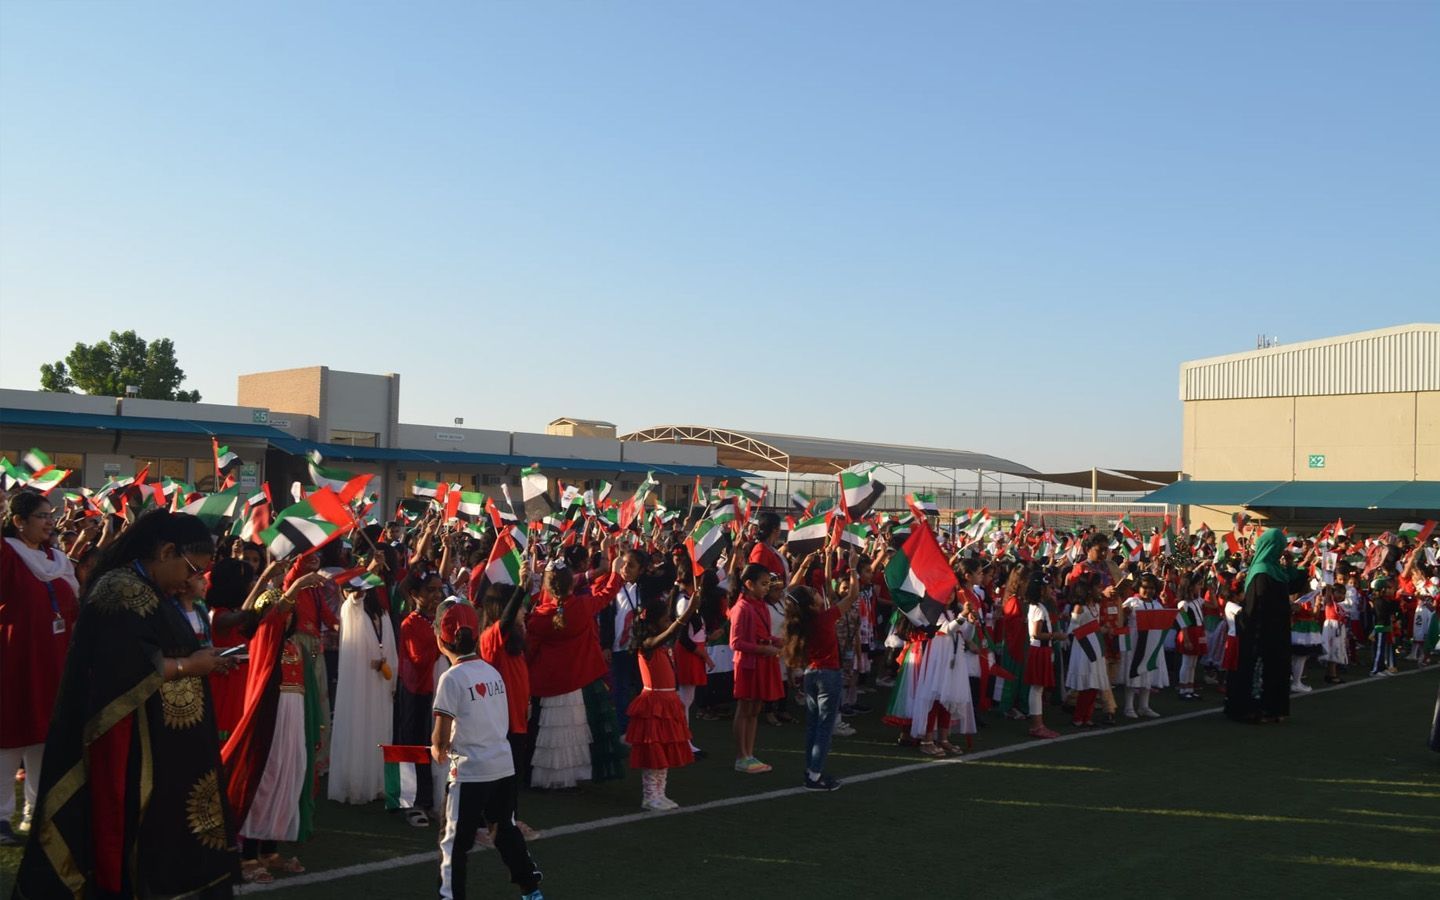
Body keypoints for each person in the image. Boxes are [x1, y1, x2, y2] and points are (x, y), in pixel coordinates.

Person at [15, 510, 240, 898]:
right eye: (191, 569)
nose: (191, 580)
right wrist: (190, 665)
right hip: (133, 743)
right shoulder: (120, 590)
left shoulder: (150, 589)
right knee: (131, 835)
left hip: (161, 738)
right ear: (166, 552)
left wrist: (202, 658)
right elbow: (126, 666)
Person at [221, 572, 329, 884]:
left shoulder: (293, 645)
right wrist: (295, 585)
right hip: (271, 718)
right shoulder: (264, 636)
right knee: (265, 777)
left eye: (290, 611)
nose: (287, 614)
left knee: (288, 776)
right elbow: (273, 615)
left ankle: (269, 849)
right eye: (282, 610)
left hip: (292, 718)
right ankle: (248, 855)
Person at [432, 601, 544, 900]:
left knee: (453, 843)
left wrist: (437, 749)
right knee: (505, 831)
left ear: (441, 638)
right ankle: (531, 890)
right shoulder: (491, 671)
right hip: (502, 766)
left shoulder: (450, 678)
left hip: (469, 772)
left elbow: (440, 741)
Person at [1, 490, 80, 846]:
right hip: (14, 663)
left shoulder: (58, 560)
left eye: (51, 515)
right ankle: (1, 816)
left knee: (45, 739)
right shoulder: (7, 554)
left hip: (54, 664)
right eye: (42, 516)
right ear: (19, 522)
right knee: (8, 739)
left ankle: (36, 813)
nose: (51, 522)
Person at [525, 551, 626, 788]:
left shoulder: (539, 617)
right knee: (577, 732)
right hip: (579, 681)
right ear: (571, 583)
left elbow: (529, 651)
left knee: (550, 733)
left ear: (547, 587)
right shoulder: (582, 606)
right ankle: (576, 774)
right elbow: (606, 595)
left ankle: (551, 777)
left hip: (549, 684)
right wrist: (615, 573)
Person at [782, 545, 857, 791]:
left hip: (811, 675)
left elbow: (791, 593)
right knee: (824, 727)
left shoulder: (800, 622)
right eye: (812, 593)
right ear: (811, 604)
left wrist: (804, 566)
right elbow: (852, 597)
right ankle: (815, 775)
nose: (816, 592)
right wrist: (853, 569)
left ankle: (811, 769)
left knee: (814, 726)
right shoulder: (824, 618)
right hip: (828, 675)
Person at [625, 576, 700, 809]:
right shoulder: (647, 645)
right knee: (654, 751)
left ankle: (661, 793)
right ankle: (650, 795)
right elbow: (669, 633)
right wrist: (688, 612)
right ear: (652, 623)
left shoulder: (661, 645)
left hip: (668, 701)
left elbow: (672, 634)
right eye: (665, 619)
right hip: (654, 703)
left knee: (665, 749)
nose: (668, 622)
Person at [1226, 528, 1307, 723]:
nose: (1282, 551)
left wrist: (1290, 564)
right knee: (1260, 670)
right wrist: (1285, 607)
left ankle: (1273, 709)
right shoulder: (1261, 571)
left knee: (1277, 668)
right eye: (1280, 546)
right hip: (1262, 631)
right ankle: (1254, 710)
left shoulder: (1276, 569)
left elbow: (1294, 583)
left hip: (1277, 628)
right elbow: (1259, 604)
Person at [328, 582, 399, 804]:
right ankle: (356, 783)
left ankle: (376, 782)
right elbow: (354, 602)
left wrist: (389, 670)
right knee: (360, 726)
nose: (349, 594)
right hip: (361, 682)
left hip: (380, 681)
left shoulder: (383, 615)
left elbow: (390, 645)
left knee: (378, 727)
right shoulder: (351, 610)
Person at [397, 569, 446, 826]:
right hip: (415, 691)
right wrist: (442, 642)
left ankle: (429, 799)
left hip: (434, 690)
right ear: (415, 594)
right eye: (431, 590)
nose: (437, 595)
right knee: (413, 743)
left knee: (432, 744)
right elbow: (418, 659)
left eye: (439, 589)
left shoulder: (437, 619)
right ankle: (411, 802)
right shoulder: (411, 623)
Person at [729, 563, 784, 774]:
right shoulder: (742, 607)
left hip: (761, 661)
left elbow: (762, 633)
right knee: (745, 709)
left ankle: (749, 754)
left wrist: (775, 640)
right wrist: (763, 648)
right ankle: (741, 756)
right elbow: (735, 642)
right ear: (749, 584)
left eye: (768, 584)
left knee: (754, 711)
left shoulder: (760, 605)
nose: (767, 588)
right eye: (763, 584)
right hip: (748, 664)